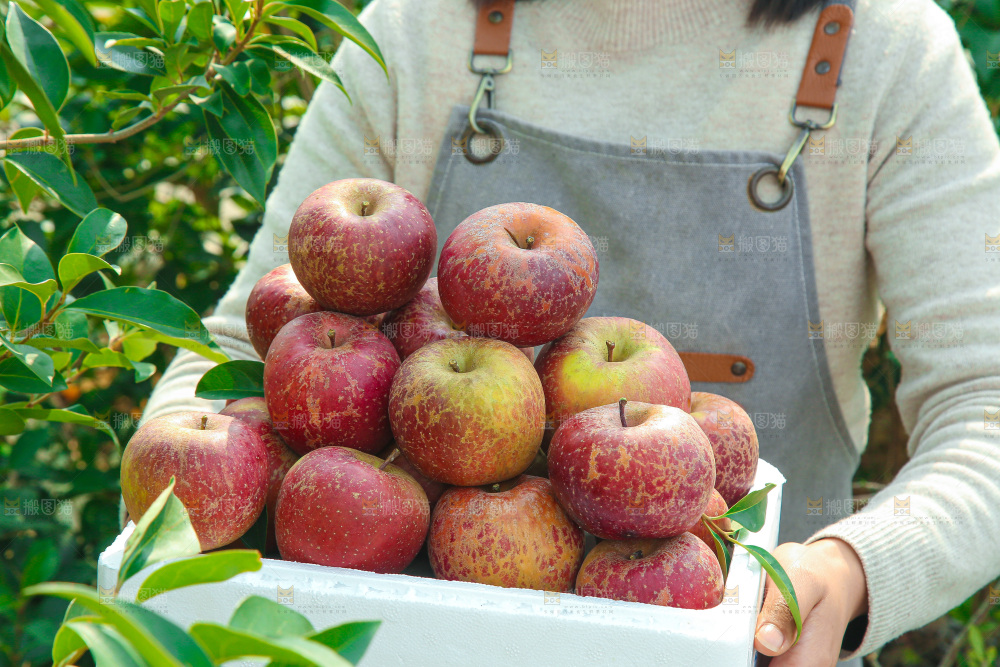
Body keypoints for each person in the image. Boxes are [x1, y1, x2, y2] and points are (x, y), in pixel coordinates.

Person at [139, 0, 1000, 664]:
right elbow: (243, 346)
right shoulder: (421, 28)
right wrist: (170, 523)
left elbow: (986, 404)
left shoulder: (885, 50)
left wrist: (851, 571)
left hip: (742, 643)